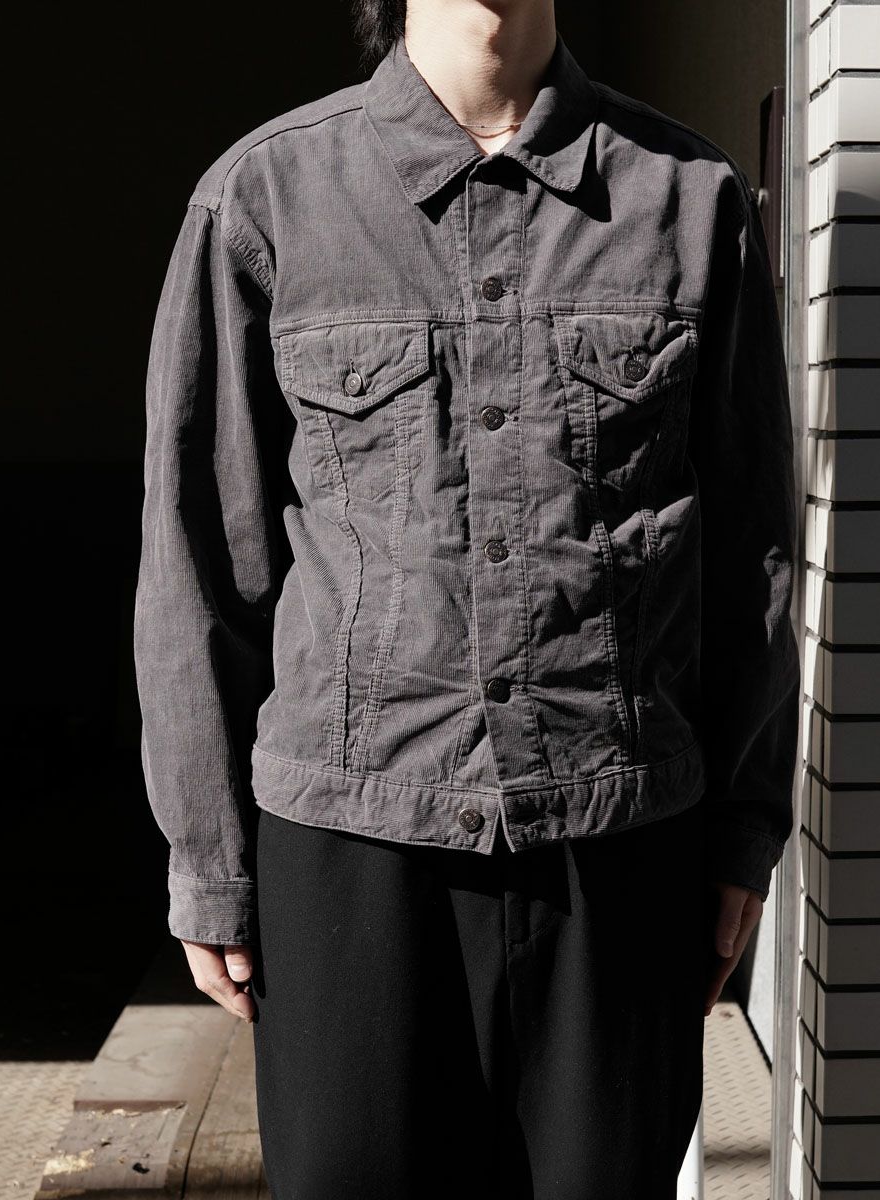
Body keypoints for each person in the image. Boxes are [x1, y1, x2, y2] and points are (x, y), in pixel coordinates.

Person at [133, 0, 801, 1196]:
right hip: (351, 841)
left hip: (619, 835)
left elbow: (753, 545)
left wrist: (743, 832)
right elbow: (199, 557)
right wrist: (209, 859)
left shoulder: (688, 198)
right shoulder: (264, 199)